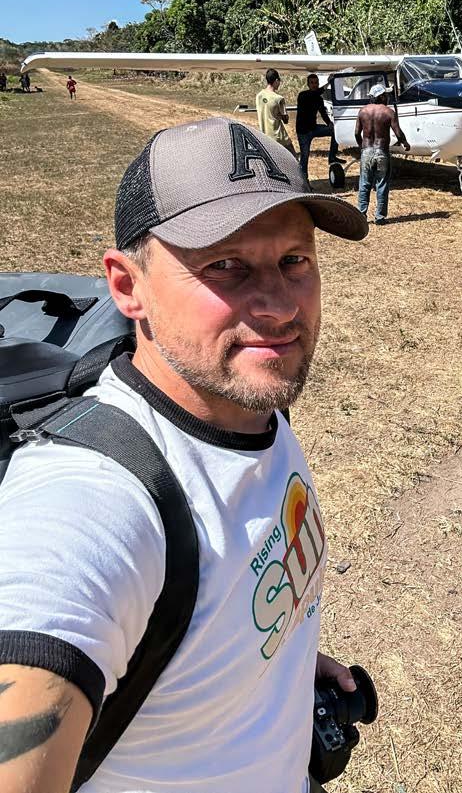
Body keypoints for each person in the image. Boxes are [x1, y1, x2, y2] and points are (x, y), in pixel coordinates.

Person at [0, 118, 369, 793]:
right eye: (225, 265)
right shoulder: (93, 500)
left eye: (295, 259)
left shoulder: (250, 406)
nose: (279, 306)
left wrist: (271, 667)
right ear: (127, 286)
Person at [355, 83, 409, 225]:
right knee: (382, 184)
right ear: (382, 96)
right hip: (382, 151)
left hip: (366, 151)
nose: (388, 97)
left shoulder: (362, 111)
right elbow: (398, 133)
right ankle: (379, 217)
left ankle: (361, 214)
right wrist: (405, 143)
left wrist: (362, 147)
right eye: (386, 95)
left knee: (364, 184)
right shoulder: (389, 112)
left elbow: (356, 133)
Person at [296, 74, 340, 182]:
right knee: (305, 156)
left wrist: (329, 123)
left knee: (335, 131)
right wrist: (327, 84)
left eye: (316, 83)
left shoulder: (319, 99)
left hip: (314, 128)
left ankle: (332, 156)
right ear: (308, 84)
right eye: (312, 83)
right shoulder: (303, 95)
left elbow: (323, 113)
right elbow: (313, 94)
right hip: (303, 132)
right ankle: (303, 181)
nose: (314, 85)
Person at [255, 68, 295, 153]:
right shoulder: (279, 98)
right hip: (279, 137)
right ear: (276, 80)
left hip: (265, 136)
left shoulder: (259, 96)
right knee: (293, 158)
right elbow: (286, 120)